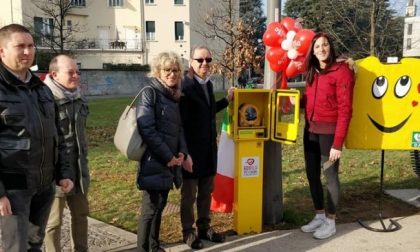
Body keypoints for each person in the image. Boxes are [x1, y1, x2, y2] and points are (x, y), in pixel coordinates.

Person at [0, 24, 74, 251]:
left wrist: (64, 172)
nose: (27, 51)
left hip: (44, 184)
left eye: (30, 45)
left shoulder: (42, 90)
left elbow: (57, 135)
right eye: (19, 46)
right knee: (15, 247)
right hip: (13, 189)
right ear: (2, 51)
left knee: (35, 243)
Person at [300, 32, 355, 239]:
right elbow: (310, 99)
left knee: (330, 176)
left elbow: (345, 109)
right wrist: (295, 101)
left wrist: (338, 143)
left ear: (330, 47)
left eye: (325, 45)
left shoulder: (342, 72)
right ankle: (320, 216)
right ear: (312, 51)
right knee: (312, 174)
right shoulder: (313, 71)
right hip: (310, 131)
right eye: (317, 47)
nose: (321, 49)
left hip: (329, 134)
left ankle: (331, 221)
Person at [179, 46, 233, 249]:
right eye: (200, 60)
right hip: (192, 153)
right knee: (189, 195)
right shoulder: (185, 86)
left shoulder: (207, 84)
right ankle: (188, 232)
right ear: (191, 62)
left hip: (209, 150)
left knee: (205, 193)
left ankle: (204, 227)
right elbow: (180, 125)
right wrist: (184, 154)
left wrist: (227, 100)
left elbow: (208, 112)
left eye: (208, 60)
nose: (204, 64)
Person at [136, 51, 188, 252]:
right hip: (154, 160)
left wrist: (181, 152)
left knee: (160, 206)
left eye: (175, 70)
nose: (172, 74)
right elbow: (146, 128)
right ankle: (143, 248)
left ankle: (154, 246)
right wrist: (168, 157)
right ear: (158, 71)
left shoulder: (173, 95)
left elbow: (179, 128)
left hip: (171, 161)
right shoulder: (150, 92)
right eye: (167, 70)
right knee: (149, 210)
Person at [43, 55, 90, 252]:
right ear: (54, 74)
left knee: (81, 216)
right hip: (54, 173)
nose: (76, 76)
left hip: (79, 169)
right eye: (70, 72)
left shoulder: (78, 98)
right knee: (53, 223)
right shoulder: (44, 99)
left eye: (77, 72)